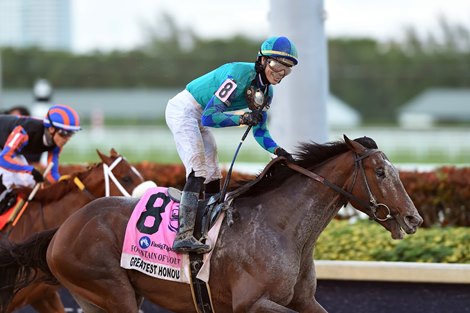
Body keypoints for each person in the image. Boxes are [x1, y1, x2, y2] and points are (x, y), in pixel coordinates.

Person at [165, 36, 298, 254]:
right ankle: (183, 236)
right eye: (276, 65)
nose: (280, 73)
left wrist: (278, 150)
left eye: (287, 69)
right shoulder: (238, 75)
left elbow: (260, 131)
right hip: (184, 110)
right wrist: (242, 118)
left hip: (199, 115)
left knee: (213, 172)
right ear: (262, 61)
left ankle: (209, 227)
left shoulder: (266, 93)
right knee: (198, 168)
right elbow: (209, 117)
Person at [0, 104, 81, 212]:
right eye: (64, 133)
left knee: (29, 181)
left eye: (71, 134)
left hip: (6, 147)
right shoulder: (24, 132)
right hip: (4, 150)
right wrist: (30, 170)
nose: (67, 139)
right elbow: (4, 159)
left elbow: (52, 174)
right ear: (51, 129)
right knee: (7, 178)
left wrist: (66, 184)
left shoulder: (56, 144)